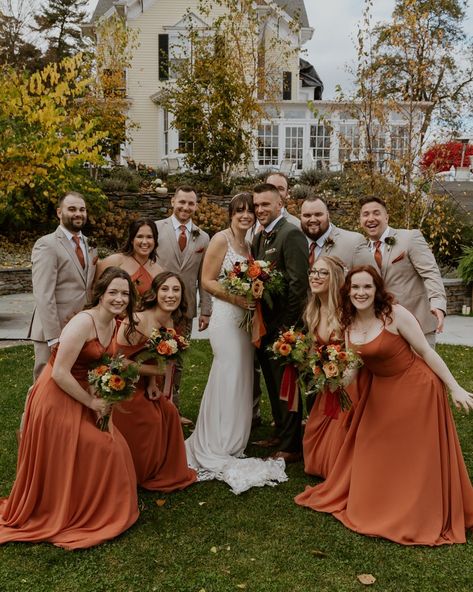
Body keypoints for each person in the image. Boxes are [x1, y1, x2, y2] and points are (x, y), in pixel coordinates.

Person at [295, 265, 473, 546]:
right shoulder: (348, 322)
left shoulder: (394, 315)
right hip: (380, 391)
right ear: (347, 291)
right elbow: (352, 368)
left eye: (367, 287)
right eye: (355, 287)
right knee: (372, 446)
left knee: (413, 456)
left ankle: (413, 512)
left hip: (416, 388)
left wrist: (455, 387)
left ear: (377, 290)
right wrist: (330, 379)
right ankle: (382, 503)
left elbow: (425, 351)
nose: (361, 292)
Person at [0, 267, 139, 549]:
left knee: (116, 446)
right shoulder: (81, 323)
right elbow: (60, 373)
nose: (119, 298)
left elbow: (101, 365)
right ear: (100, 294)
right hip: (56, 397)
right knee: (100, 447)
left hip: (82, 393)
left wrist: (108, 391)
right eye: (113, 292)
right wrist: (92, 402)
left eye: (124, 293)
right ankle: (70, 508)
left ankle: (94, 506)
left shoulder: (114, 323)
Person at [185, 193, 287, 494]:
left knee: (244, 375)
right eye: (240, 211)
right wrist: (238, 297)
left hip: (246, 322)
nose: (246, 215)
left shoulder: (251, 243)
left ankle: (235, 439)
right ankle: (217, 441)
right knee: (228, 372)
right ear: (230, 214)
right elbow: (207, 280)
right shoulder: (221, 240)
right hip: (227, 319)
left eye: (250, 211)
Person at [113, 271, 197, 492]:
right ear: (155, 293)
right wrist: (155, 370)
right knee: (149, 418)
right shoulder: (138, 319)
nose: (171, 295)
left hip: (144, 383)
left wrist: (151, 383)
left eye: (176, 290)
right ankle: (138, 472)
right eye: (165, 289)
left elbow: (153, 355)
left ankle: (161, 468)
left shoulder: (170, 320)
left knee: (169, 411)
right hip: (121, 385)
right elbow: (118, 362)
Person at [252, 183, 309, 463]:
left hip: (284, 329)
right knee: (274, 386)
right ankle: (280, 431)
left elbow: (298, 285)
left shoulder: (291, 233)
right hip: (266, 325)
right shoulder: (261, 236)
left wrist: (286, 329)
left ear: (279, 204)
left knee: (287, 387)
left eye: (265, 204)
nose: (260, 209)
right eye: (257, 205)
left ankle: (291, 446)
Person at [155, 186, 212, 425]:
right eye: (182, 202)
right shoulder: (156, 229)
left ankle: (172, 409)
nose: (186, 207)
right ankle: (151, 407)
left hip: (185, 309)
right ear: (172, 202)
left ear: (196, 206)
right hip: (156, 308)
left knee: (176, 360)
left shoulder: (204, 237)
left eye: (191, 203)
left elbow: (203, 277)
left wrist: (205, 310)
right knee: (153, 357)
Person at [359, 196, 446, 347]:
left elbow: (430, 272)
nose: (370, 218)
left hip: (418, 326)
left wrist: (438, 303)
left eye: (376, 213)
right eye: (365, 214)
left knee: (422, 371)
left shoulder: (410, 238)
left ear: (386, 217)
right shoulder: (360, 250)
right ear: (360, 220)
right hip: (383, 329)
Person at [28, 191, 97, 380]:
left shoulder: (89, 244)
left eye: (82, 209)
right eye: (72, 209)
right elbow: (43, 294)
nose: (78, 213)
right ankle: (32, 412)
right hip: (54, 329)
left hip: (81, 327)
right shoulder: (47, 244)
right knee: (45, 384)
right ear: (59, 212)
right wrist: (53, 337)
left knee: (76, 381)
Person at [302, 256, 356, 478]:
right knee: (312, 444)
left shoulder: (347, 312)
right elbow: (314, 351)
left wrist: (340, 380)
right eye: (313, 272)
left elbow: (355, 355)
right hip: (327, 383)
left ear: (334, 278)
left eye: (322, 273)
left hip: (350, 384)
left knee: (336, 449)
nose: (315, 277)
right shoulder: (313, 311)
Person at [300, 196, 373, 270]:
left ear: (328, 215)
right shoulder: (294, 243)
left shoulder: (354, 243)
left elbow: (373, 278)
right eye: (307, 215)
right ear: (300, 217)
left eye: (318, 214)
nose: (313, 220)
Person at [96, 217, 162, 296]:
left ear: (155, 241)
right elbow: (95, 291)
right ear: (131, 240)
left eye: (149, 237)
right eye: (140, 236)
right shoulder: (114, 261)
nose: (144, 242)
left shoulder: (159, 272)